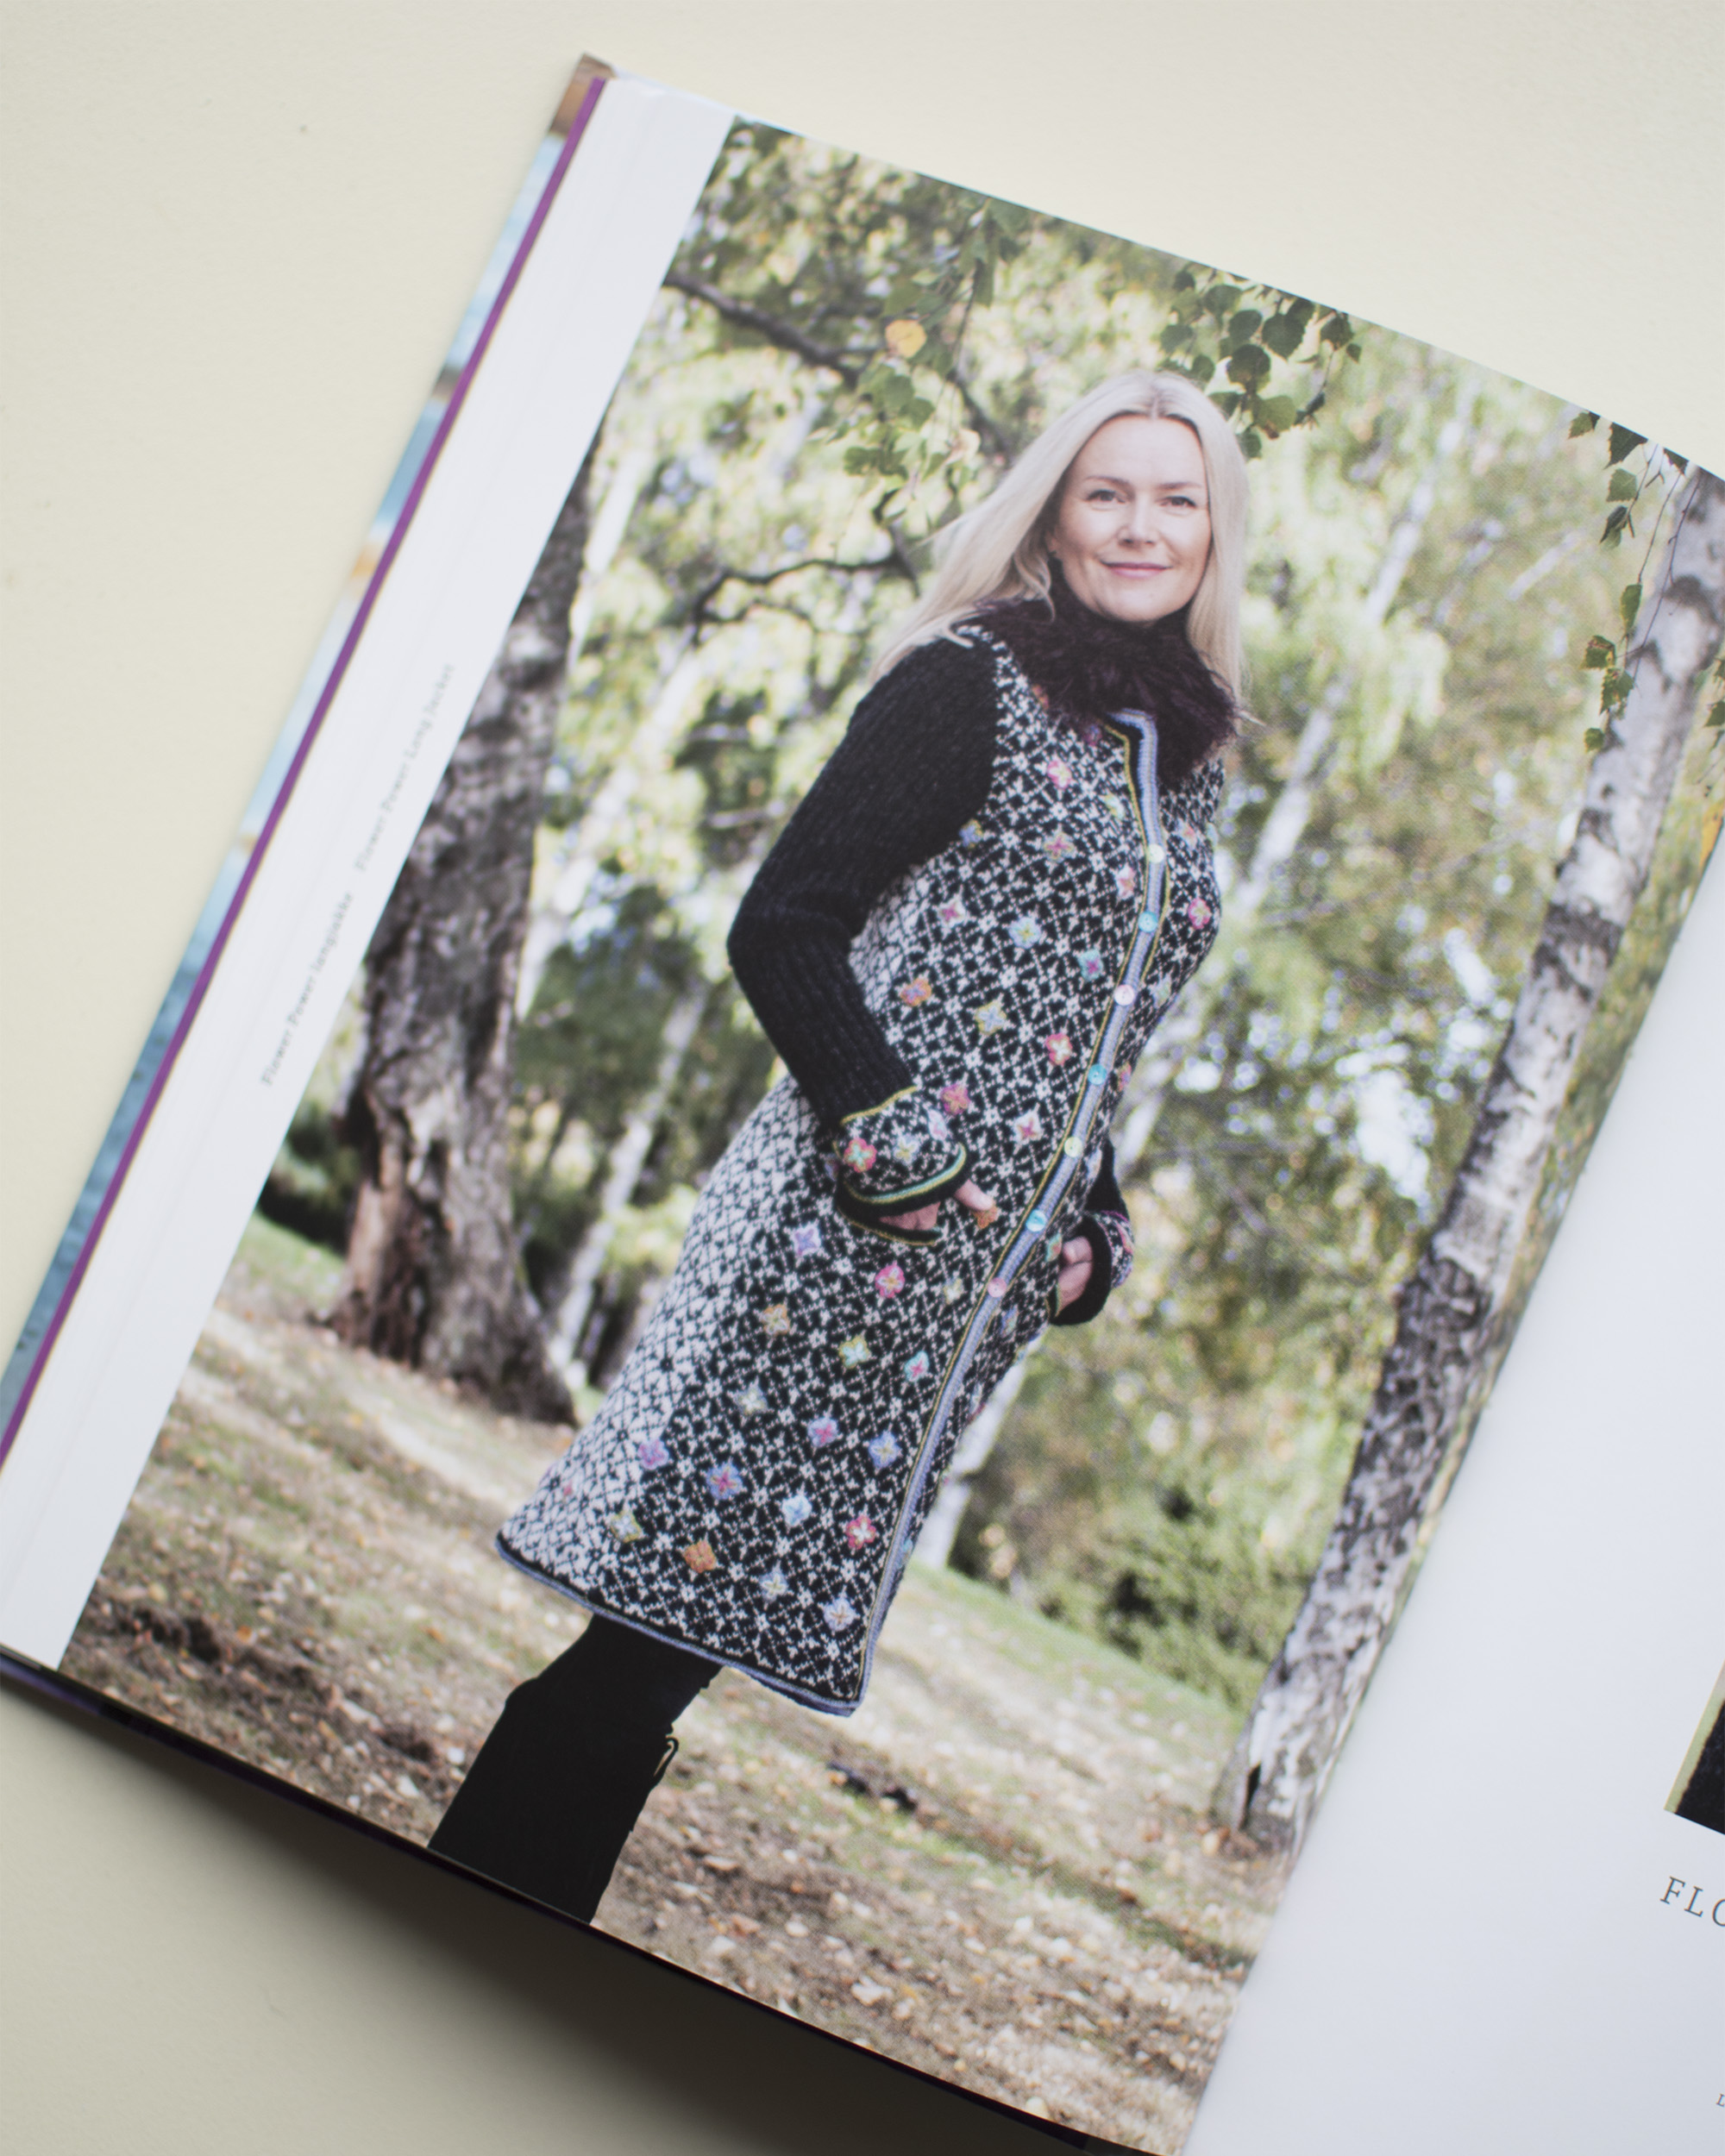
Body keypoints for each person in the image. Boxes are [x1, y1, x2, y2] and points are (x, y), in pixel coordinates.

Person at [429, 368, 1247, 1921]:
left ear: (1217, 534)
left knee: (664, 1660)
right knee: (643, 1647)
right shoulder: (970, 681)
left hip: (948, 1309)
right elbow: (785, 924)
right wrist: (897, 1142)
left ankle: (507, 1914)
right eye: (1108, 493)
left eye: (1176, 498)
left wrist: (1097, 1224)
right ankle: (483, 1917)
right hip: (827, 1256)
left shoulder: (1179, 757)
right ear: (1055, 516)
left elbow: (1102, 1029)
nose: (1141, 526)